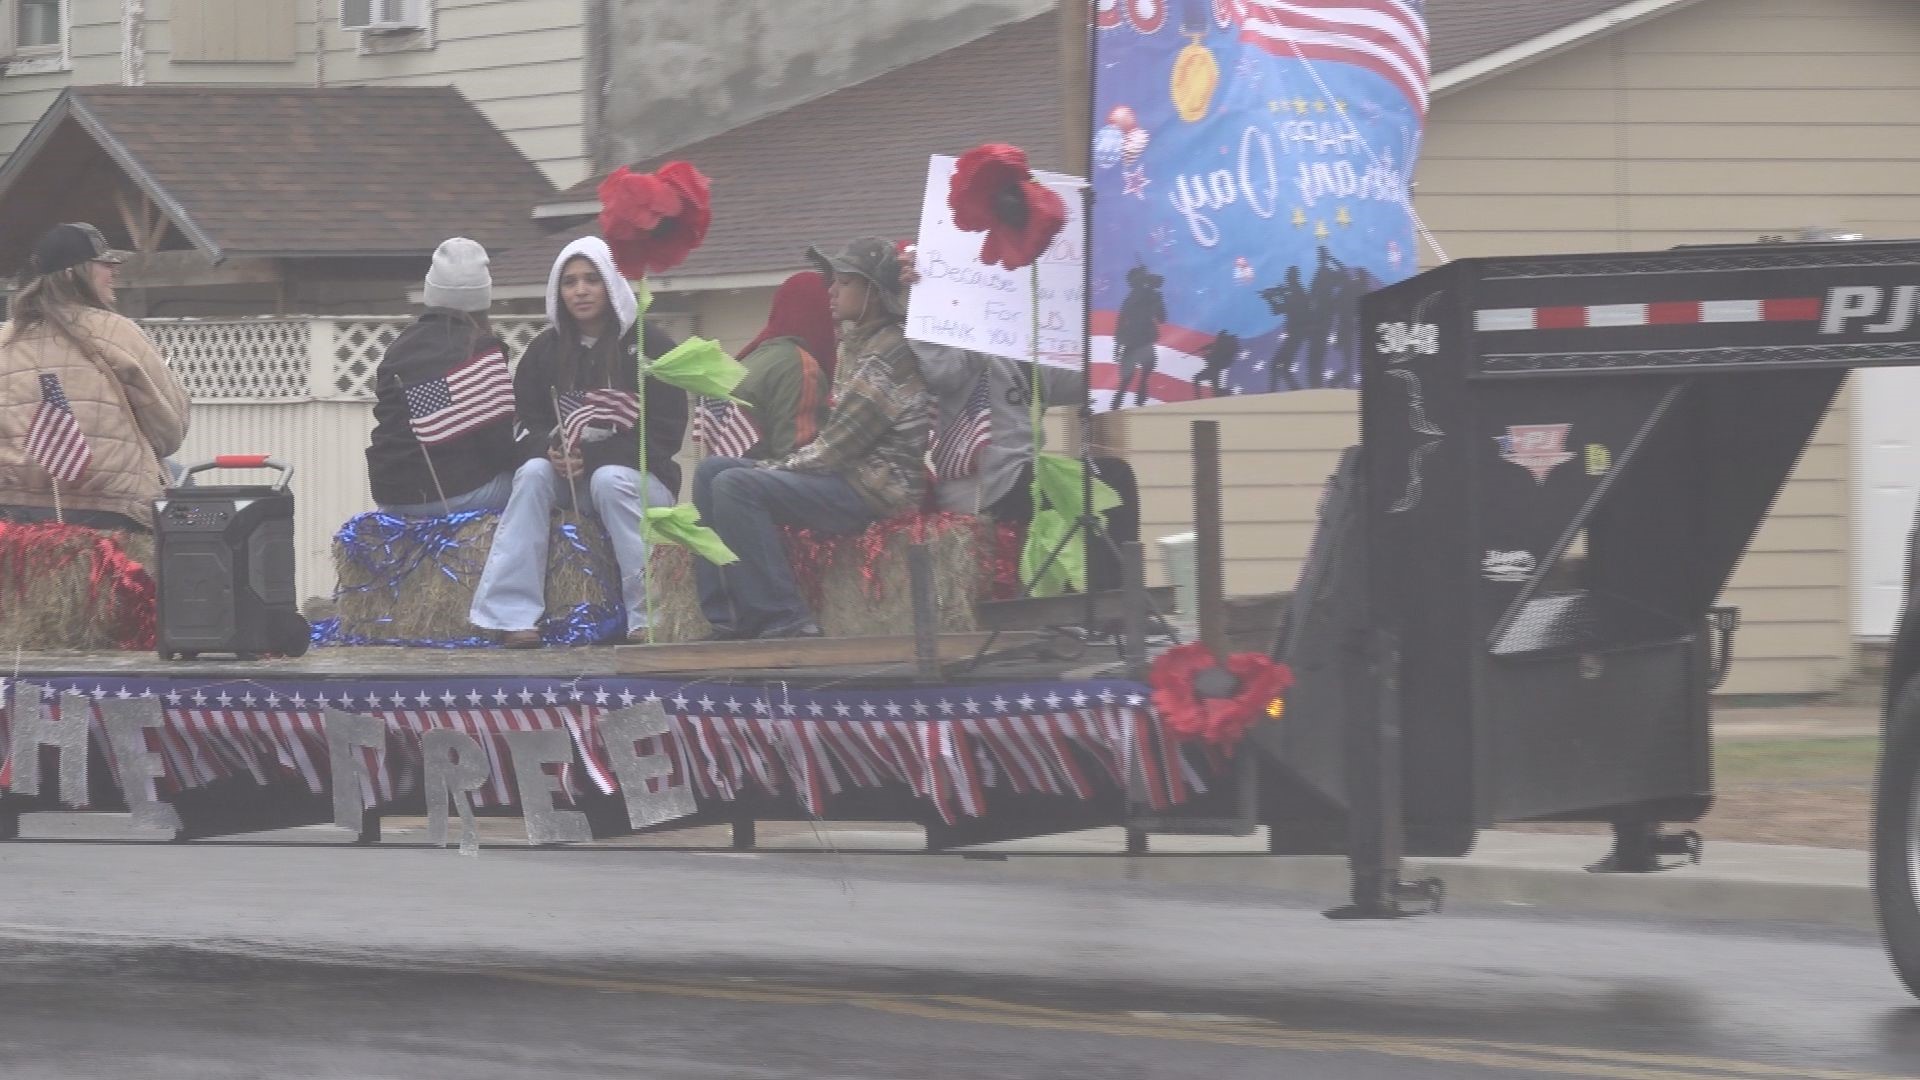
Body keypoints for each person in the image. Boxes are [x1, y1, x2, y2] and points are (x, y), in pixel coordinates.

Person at [692, 237, 932, 640]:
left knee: (735, 484)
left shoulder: (888, 353)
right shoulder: (857, 346)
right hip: (845, 479)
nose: (831, 292)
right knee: (709, 472)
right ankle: (727, 617)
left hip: (873, 491)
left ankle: (785, 617)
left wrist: (768, 468)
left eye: (842, 283)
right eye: (831, 282)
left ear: (872, 291)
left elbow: (835, 450)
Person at [469, 235, 689, 648]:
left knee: (608, 480)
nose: (581, 290)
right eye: (570, 282)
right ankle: (514, 616)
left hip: (638, 484)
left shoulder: (650, 348)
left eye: (591, 279)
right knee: (532, 473)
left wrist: (593, 456)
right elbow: (524, 426)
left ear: (611, 283)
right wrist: (550, 450)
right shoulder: (544, 352)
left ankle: (649, 617)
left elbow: (663, 435)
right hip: (567, 479)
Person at [0, 222, 188, 532]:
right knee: (184, 482)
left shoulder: (5, 340)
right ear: (73, 273)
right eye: (104, 263)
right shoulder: (118, 332)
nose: (115, 270)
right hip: (113, 510)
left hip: (15, 513)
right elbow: (169, 431)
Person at [364, 237, 520, 515]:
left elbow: (394, 418)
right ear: (483, 299)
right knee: (534, 486)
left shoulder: (398, 348)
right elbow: (499, 447)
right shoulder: (482, 353)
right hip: (453, 494)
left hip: (389, 494)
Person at [711, 270, 835, 460]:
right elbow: (800, 457)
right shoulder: (801, 367)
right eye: (836, 324)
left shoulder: (756, 356)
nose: (840, 335)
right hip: (755, 481)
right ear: (819, 317)